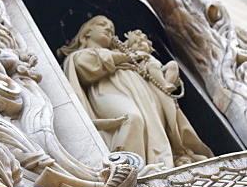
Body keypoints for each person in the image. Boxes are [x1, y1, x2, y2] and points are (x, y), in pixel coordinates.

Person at [59, 15, 213, 170]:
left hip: (141, 95)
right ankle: (121, 169)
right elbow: (83, 64)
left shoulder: (129, 58)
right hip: (108, 90)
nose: (108, 29)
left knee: (153, 132)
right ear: (87, 32)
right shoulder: (80, 55)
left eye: (111, 28)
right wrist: (127, 56)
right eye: (101, 24)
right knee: (131, 118)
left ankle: (151, 168)